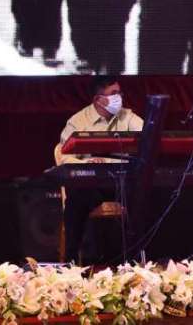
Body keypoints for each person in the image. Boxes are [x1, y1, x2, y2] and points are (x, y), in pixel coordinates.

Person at [57, 75, 144, 262]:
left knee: (146, 195)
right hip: (91, 185)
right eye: (114, 93)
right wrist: (87, 164)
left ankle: (139, 259)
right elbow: (64, 158)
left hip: (120, 182)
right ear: (99, 99)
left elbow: (148, 136)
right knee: (76, 201)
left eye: (120, 93)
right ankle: (71, 262)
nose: (119, 97)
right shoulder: (78, 121)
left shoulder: (127, 116)